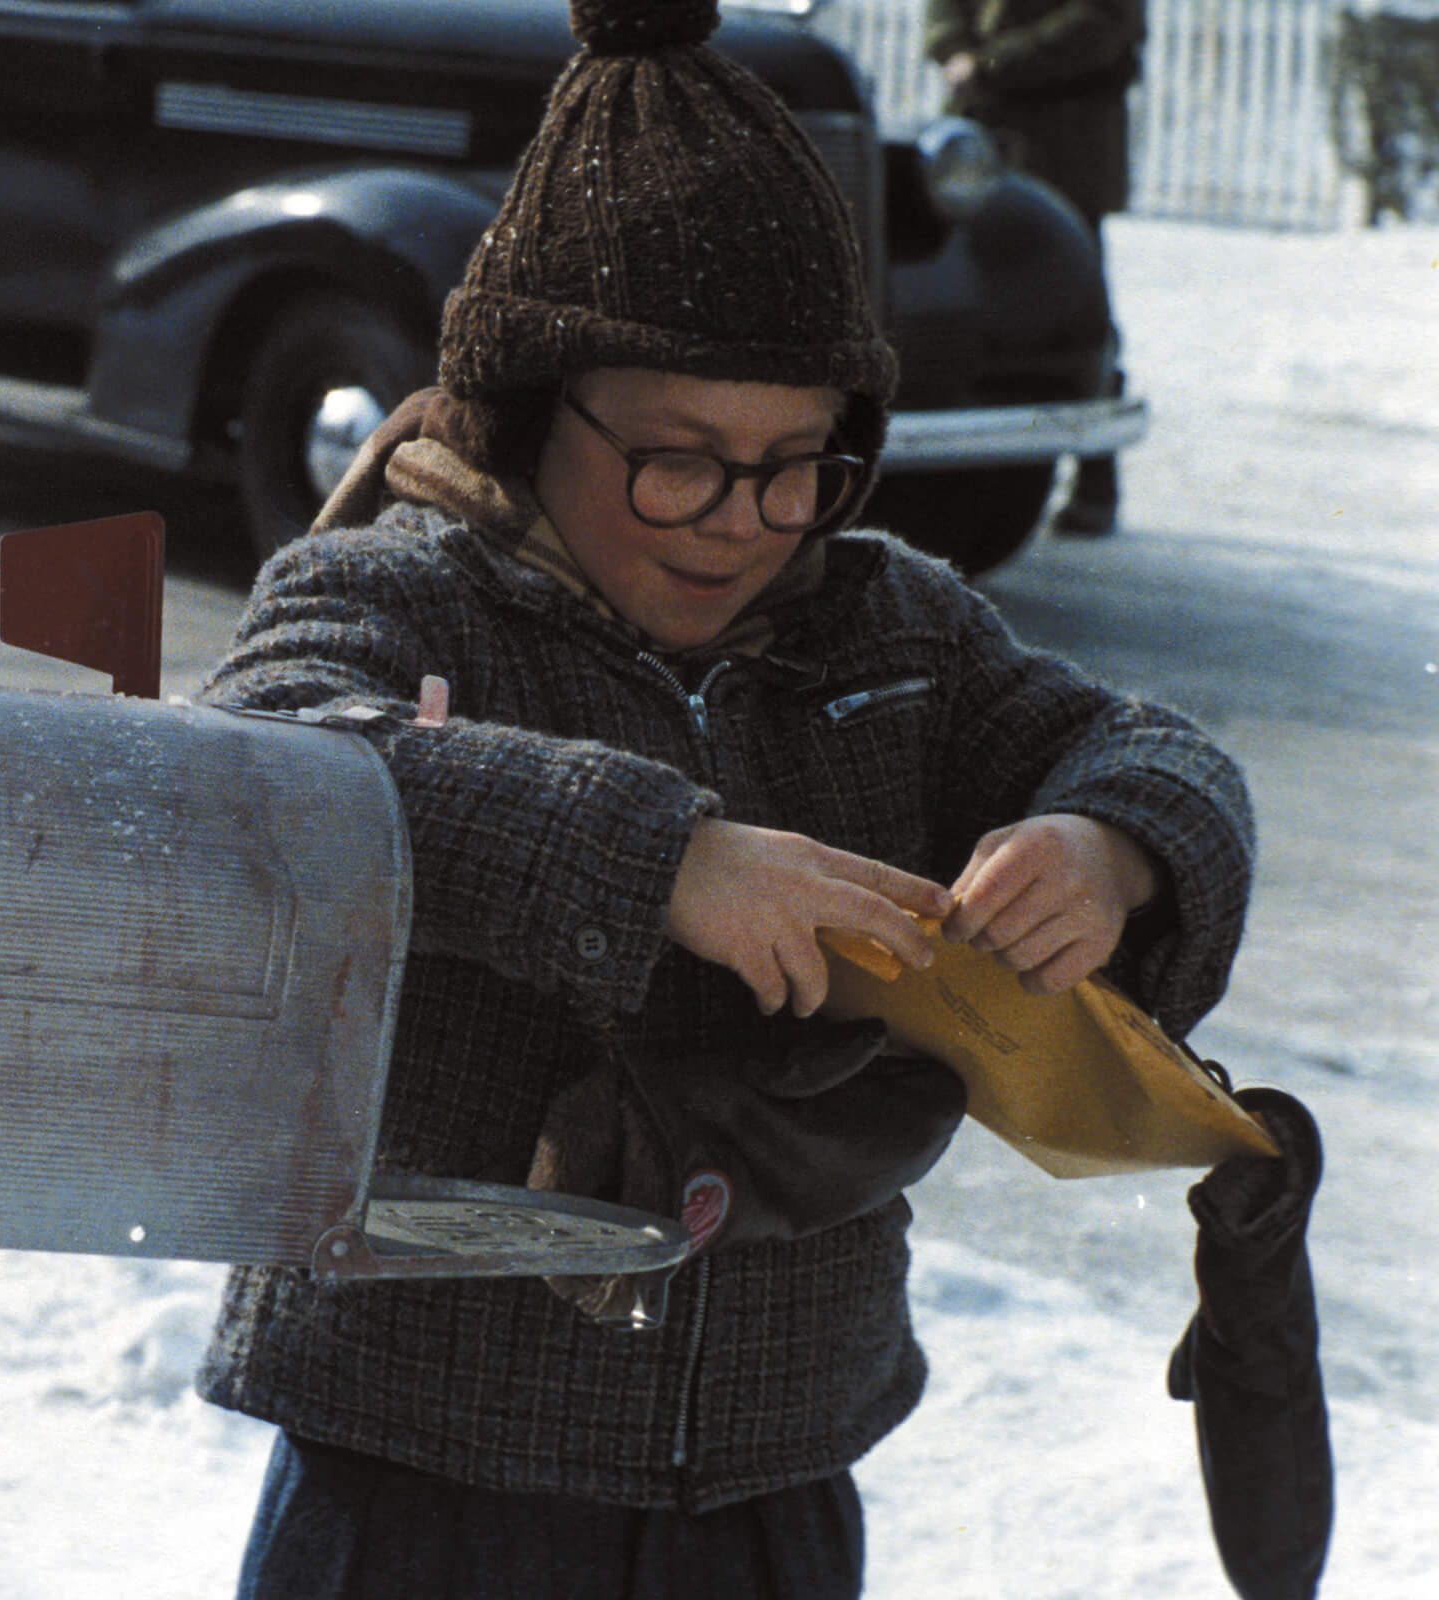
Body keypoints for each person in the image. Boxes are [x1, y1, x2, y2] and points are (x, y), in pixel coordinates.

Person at [190, 2, 1253, 1595]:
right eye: (679, 458)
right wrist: (664, 859)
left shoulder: (889, 625)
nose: (739, 522)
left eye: (796, 463)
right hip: (418, 1467)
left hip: (775, 1478)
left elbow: (1165, 755)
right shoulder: (395, 595)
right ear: (534, 405)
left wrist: (1111, 846)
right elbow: (269, 772)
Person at [925, 0, 1147, 536]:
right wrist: (954, 49)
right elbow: (944, 11)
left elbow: (1102, 24)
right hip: (981, 132)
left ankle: (1096, 479)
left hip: (1064, 140)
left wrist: (991, 63)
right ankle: (963, 479)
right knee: (965, 300)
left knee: (1073, 307)